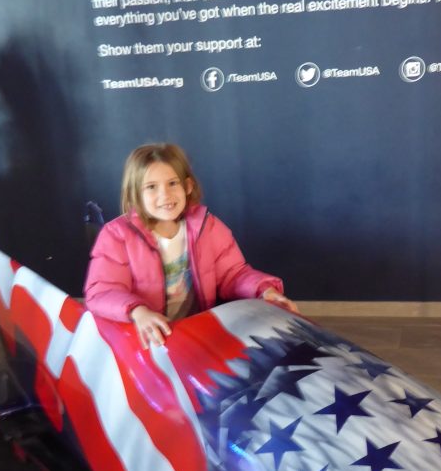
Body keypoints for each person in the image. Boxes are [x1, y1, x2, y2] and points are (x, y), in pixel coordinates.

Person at [84, 142, 298, 348]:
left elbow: (233, 275)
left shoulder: (208, 226)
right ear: (135, 194)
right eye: (151, 187)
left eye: (172, 183)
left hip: (195, 333)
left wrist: (264, 290)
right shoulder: (116, 236)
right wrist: (138, 312)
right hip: (147, 340)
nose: (164, 195)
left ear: (187, 186)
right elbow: (101, 291)